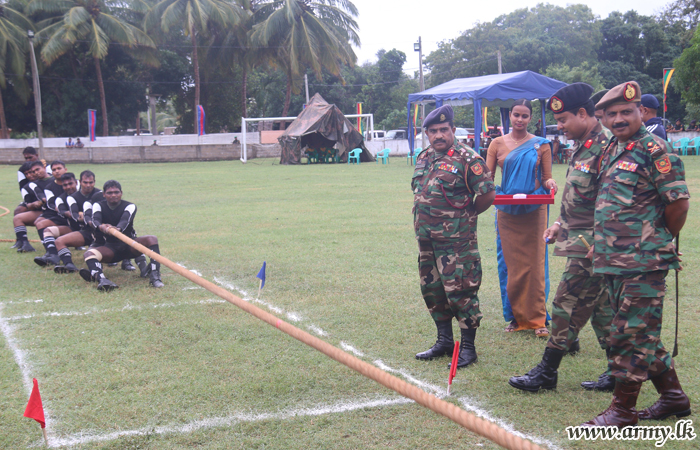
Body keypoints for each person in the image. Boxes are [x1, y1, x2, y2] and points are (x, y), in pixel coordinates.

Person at [582, 81, 691, 427]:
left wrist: (657, 239)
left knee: (630, 334)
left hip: (644, 261)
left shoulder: (654, 150)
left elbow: (678, 203)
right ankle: (673, 397)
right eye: (612, 114)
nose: (619, 119)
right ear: (603, 118)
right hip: (614, 260)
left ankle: (623, 410)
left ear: (640, 112)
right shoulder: (613, 149)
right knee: (640, 331)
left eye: (626, 112)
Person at [508, 83, 614, 393]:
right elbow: (579, 196)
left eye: (564, 120)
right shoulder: (583, 145)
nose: (561, 127)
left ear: (582, 113)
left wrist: (602, 240)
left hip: (594, 244)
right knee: (602, 307)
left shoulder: (606, 148)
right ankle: (618, 369)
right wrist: (558, 223)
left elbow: (612, 202)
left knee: (565, 303)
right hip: (580, 239)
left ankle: (547, 371)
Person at [412, 105, 495, 369]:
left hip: (457, 242)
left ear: (453, 130)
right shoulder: (424, 157)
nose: (438, 135)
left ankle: (468, 348)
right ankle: (444, 341)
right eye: (433, 131)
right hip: (427, 241)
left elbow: (487, 194)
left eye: (443, 129)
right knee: (433, 290)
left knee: (461, 290)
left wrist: (466, 217)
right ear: (426, 133)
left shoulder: (468, 159)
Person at [486, 99, 557, 337]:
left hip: (535, 208)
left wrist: (551, 183)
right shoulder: (496, 143)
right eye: (516, 114)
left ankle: (538, 320)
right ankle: (515, 318)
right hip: (507, 209)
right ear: (510, 116)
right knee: (509, 263)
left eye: (524, 116)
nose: (520, 119)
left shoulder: (541, 144)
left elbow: (546, 177)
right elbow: (487, 177)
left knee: (536, 263)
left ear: (530, 118)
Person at [80, 180, 164, 291]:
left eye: (116, 192)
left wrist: (117, 229)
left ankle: (155, 276)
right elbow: (95, 221)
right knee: (89, 254)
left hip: (130, 246)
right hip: (111, 249)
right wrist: (102, 227)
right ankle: (102, 280)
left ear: (121, 193)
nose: (113, 195)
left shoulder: (130, 206)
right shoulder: (98, 205)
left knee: (151, 239)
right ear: (104, 194)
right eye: (109, 193)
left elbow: (125, 221)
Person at [33, 172, 78, 267]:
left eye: (70, 183)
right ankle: (53, 256)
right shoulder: (60, 199)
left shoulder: (88, 195)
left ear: (76, 182)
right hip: (74, 227)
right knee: (47, 230)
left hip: (91, 229)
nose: (68, 187)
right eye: (65, 185)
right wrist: (68, 213)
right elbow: (61, 210)